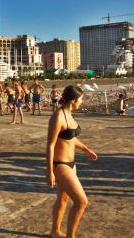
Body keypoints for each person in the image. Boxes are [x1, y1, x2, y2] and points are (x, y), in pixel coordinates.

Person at [47, 85, 98, 238]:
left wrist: (86, 149)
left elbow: (70, 138)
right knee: (82, 201)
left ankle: (55, 232)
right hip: (60, 165)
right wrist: (49, 171)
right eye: (81, 100)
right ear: (73, 100)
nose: (82, 102)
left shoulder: (69, 114)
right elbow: (50, 145)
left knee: (63, 198)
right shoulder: (58, 117)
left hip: (71, 164)